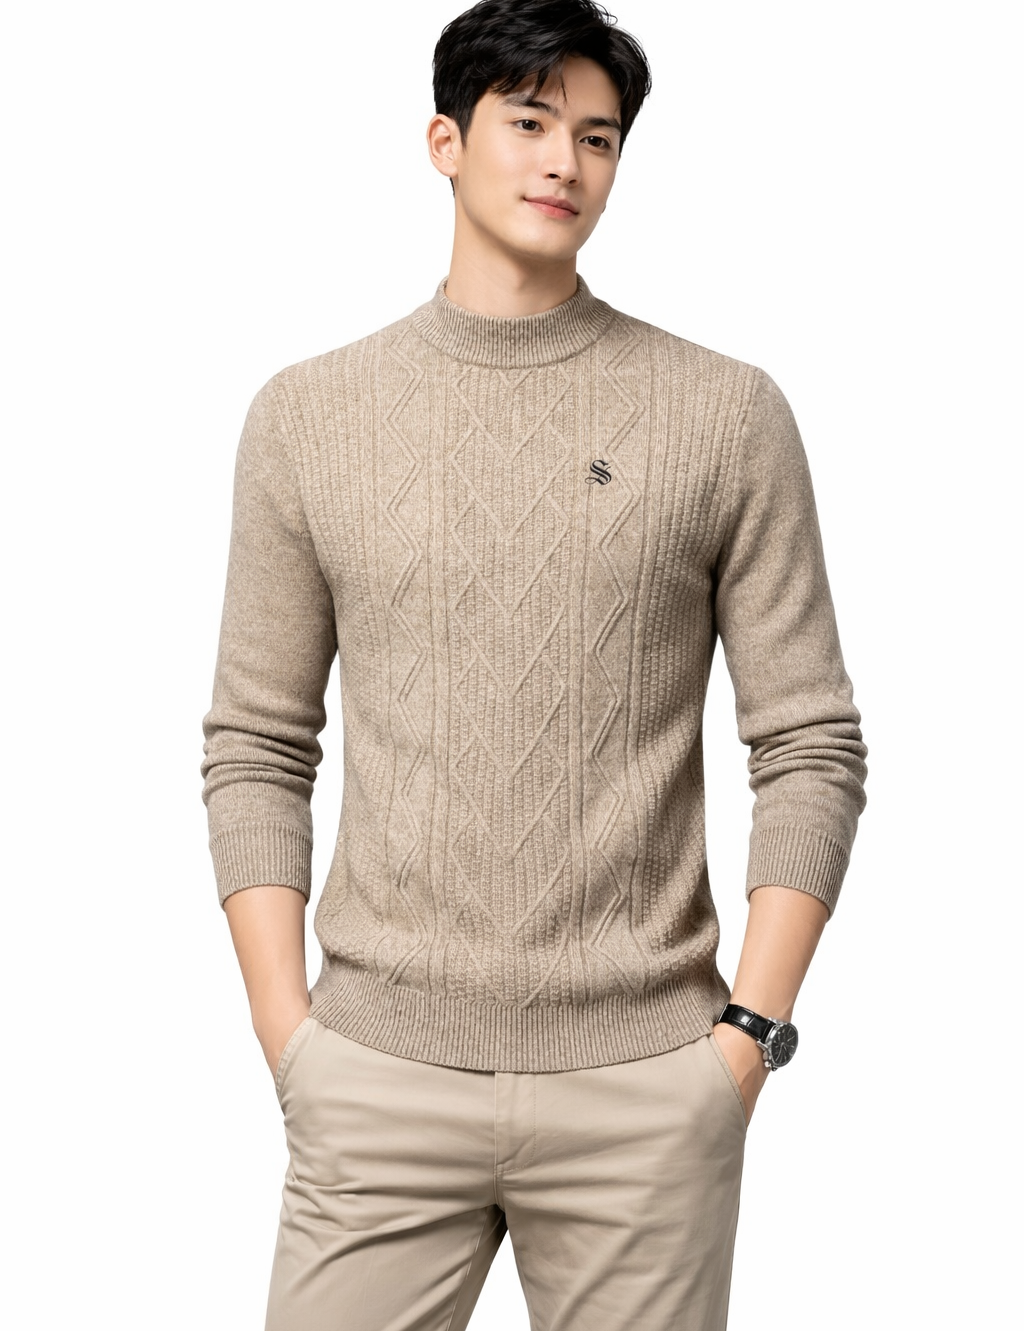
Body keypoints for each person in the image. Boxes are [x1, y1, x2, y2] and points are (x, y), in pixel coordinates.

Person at [200, 2, 868, 1327]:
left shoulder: (724, 413)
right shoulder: (308, 417)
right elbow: (258, 743)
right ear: (444, 142)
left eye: (599, 137)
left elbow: (809, 742)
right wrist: (292, 1041)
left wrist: (746, 1041)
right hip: (376, 1075)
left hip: (647, 1089)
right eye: (530, 121)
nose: (567, 160)